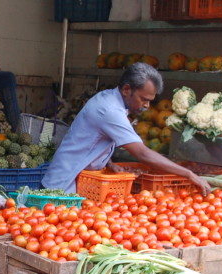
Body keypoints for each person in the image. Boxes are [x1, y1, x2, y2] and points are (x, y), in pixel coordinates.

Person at [43, 63, 210, 195]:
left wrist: (109, 162)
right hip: (62, 187)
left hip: (75, 181)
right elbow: (143, 154)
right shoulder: (111, 110)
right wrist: (189, 174)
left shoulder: (109, 98)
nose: (147, 105)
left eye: (150, 101)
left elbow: (92, 138)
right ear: (127, 90)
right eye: (144, 99)